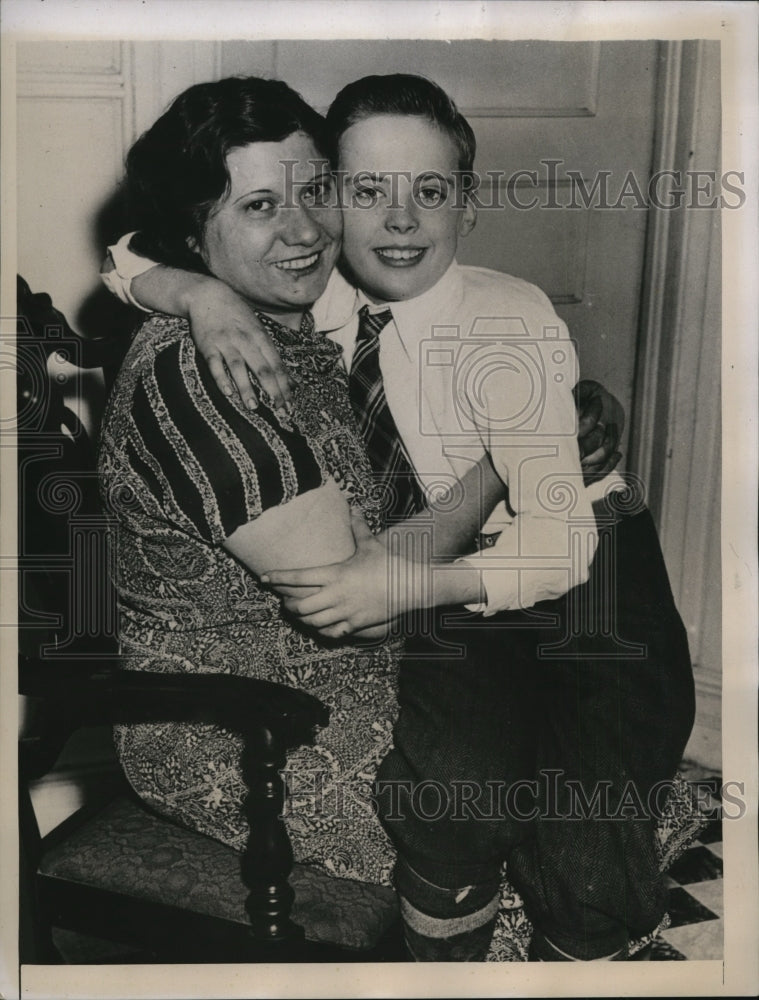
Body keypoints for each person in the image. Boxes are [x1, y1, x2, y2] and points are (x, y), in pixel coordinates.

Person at [101, 74, 694, 963]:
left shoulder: (499, 318)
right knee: (464, 786)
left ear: (468, 204)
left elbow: (555, 544)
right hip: (431, 598)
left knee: (596, 804)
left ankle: (593, 948)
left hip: (583, 558)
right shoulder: (314, 298)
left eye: (431, 191)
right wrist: (199, 296)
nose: (396, 221)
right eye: (365, 190)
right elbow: (120, 254)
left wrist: (454, 533)